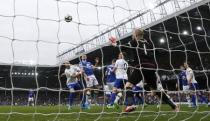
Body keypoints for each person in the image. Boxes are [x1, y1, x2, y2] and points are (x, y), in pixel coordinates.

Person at [123, 28, 178, 112]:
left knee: (128, 86)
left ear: (135, 35)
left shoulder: (134, 42)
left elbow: (123, 47)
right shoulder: (149, 43)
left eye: (133, 34)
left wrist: (115, 43)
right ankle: (174, 107)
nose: (132, 35)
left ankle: (130, 105)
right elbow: (157, 52)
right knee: (155, 90)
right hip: (151, 67)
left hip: (141, 67)